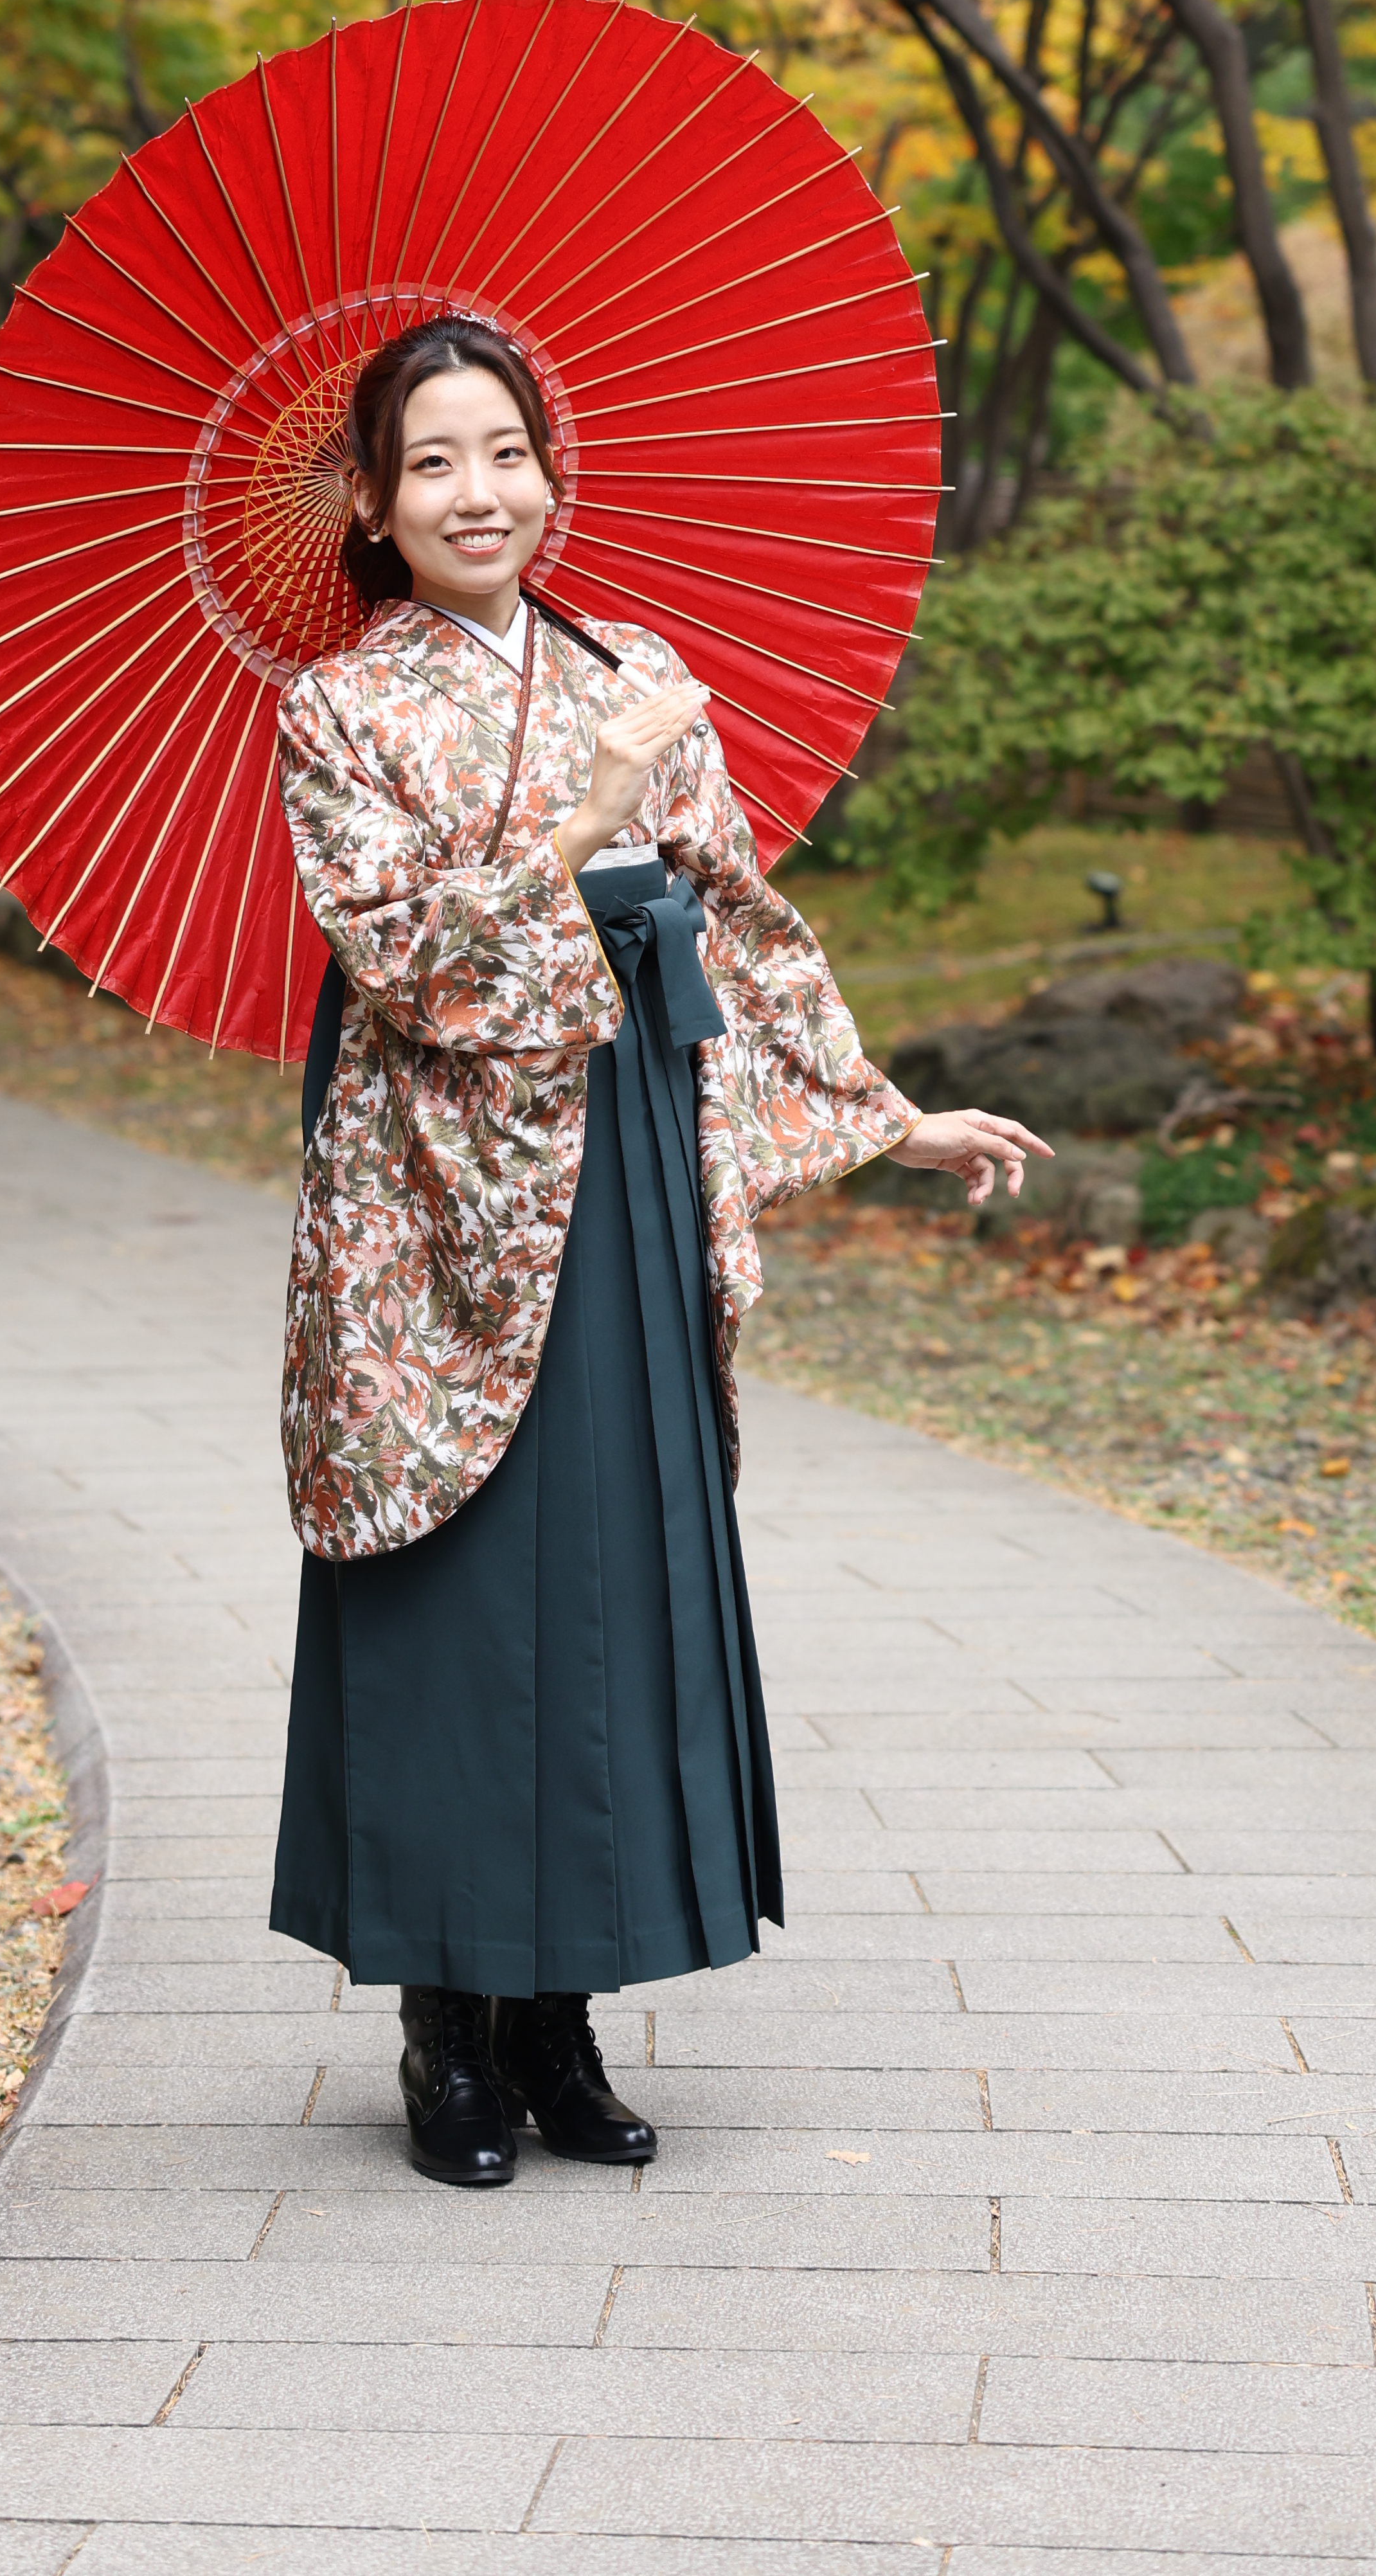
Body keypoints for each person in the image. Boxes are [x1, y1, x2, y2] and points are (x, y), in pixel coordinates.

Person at [269, 310, 1046, 2186]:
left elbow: (739, 932)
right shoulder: (338, 711)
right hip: (442, 1200)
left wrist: (883, 1111)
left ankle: (562, 2016)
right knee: (463, 1592)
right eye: (435, 461)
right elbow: (414, 967)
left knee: (609, 1584)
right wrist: (587, 810)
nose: (482, 492)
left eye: (509, 452)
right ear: (372, 503)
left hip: (621, 1163)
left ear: (553, 473)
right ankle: (445, 2024)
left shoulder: (634, 669)